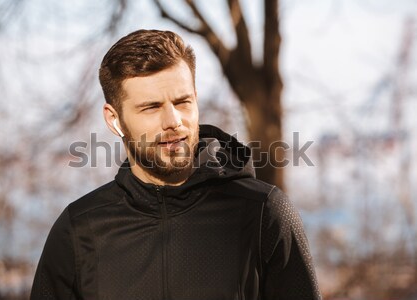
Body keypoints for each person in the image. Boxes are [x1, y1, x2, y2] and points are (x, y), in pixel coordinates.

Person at [30, 29, 321, 300]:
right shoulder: (79, 229)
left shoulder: (262, 213)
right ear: (114, 119)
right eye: (151, 107)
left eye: (183, 102)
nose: (173, 122)